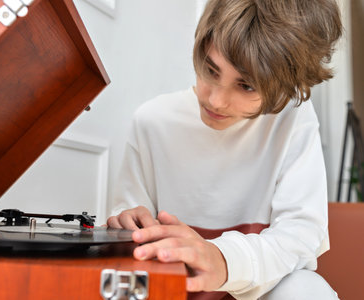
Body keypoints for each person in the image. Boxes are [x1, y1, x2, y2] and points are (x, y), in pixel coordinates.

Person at [107, 0, 343, 299]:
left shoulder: (293, 117)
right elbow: (127, 223)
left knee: (306, 290)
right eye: (210, 69)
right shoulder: (152, 121)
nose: (216, 100)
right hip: (172, 289)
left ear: (287, 84)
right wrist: (126, 223)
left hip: (257, 291)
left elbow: (301, 235)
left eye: (246, 86)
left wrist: (222, 260)